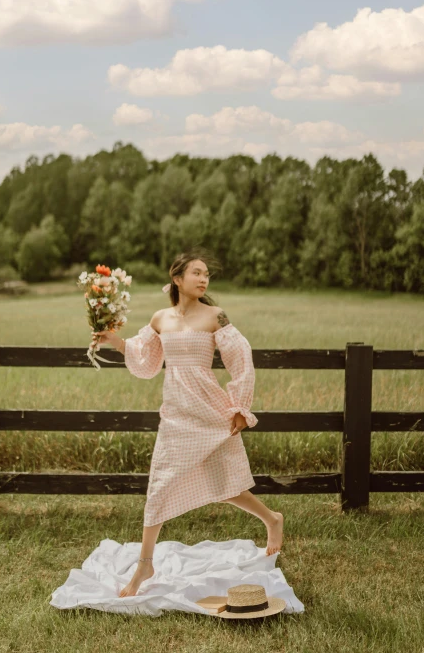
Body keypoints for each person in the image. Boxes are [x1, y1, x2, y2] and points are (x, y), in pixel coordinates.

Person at [91, 250, 284, 598]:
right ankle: (144, 565)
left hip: (209, 409)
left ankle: (272, 519)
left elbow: (241, 356)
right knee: (159, 487)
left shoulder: (216, 316)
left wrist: (241, 406)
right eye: (196, 272)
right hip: (176, 413)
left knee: (223, 484)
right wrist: (115, 341)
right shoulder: (160, 318)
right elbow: (143, 357)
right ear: (177, 279)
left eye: (207, 274)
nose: (204, 279)